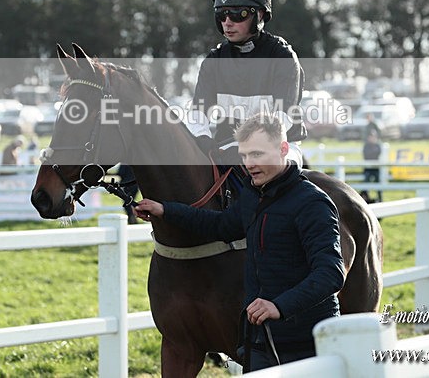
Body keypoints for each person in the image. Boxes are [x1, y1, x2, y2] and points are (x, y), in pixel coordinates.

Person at [135, 114, 344, 371]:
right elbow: (219, 225)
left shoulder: (313, 203)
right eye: (244, 156)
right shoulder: (253, 196)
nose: (249, 165)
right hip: (260, 342)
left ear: (283, 149)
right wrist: (166, 210)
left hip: (305, 343)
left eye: (257, 154)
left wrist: (279, 306)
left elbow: (331, 274)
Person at [186, 0, 307, 168]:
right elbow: (197, 114)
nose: (227, 22)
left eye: (237, 14)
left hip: (279, 148)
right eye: (221, 14)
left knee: (279, 170)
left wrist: (247, 147)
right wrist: (204, 140)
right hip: (226, 147)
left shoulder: (283, 57)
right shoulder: (213, 61)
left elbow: (280, 121)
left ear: (259, 15)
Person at [362, 131, 383, 203]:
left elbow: (377, 154)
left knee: (378, 182)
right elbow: (366, 155)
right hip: (368, 168)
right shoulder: (366, 146)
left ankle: (380, 198)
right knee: (366, 183)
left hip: (376, 168)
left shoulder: (377, 145)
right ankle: (366, 198)